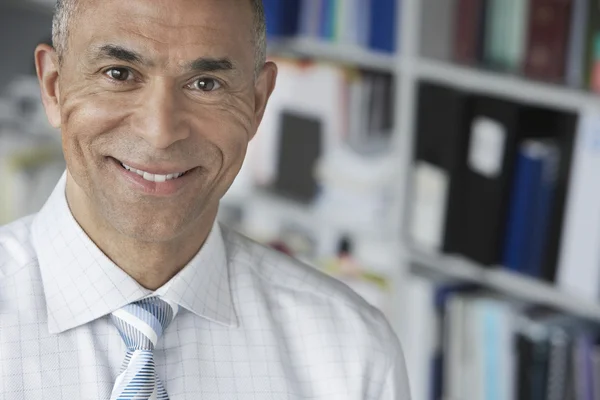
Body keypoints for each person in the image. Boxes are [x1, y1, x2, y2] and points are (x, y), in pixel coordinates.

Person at [0, 0, 410, 398]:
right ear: (53, 87)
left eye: (205, 84)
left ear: (256, 102)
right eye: (119, 73)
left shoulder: (351, 350)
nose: (160, 131)